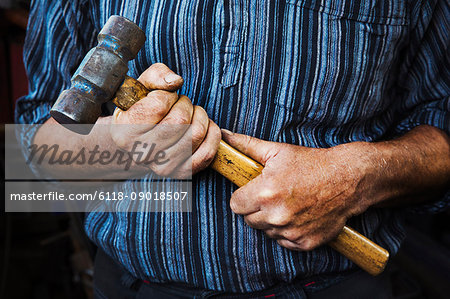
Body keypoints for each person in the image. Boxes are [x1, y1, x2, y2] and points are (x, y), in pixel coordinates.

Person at [16, 0, 449, 298]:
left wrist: (359, 176)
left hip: (339, 287)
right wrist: (116, 145)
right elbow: (27, 167)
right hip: (131, 289)